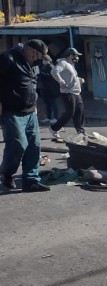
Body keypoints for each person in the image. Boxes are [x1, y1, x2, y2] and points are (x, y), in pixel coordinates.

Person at [0, 39, 52, 192]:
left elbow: (32, 83)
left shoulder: (34, 64)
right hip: (11, 111)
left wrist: (35, 104)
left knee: (34, 146)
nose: (38, 60)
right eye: (37, 56)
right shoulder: (8, 59)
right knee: (18, 144)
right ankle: (6, 174)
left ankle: (31, 180)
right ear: (30, 50)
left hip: (31, 111)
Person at [49, 47, 85, 138]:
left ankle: (80, 131)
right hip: (68, 92)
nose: (77, 58)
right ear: (70, 55)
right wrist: (61, 81)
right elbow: (54, 72)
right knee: (70, 113)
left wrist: (79, 80)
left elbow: (70, 78)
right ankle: (54, 128)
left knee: (80, 111)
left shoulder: (70, 65)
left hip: (76, 92)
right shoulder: (63, 63)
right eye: (75, 56)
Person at [37, 59, 60, 123]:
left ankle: (56, 117)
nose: (44, 61)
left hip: (51, 89)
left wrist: (41, 74)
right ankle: (49, 117)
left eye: (46, 60)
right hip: (44, 89)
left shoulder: (52, 67)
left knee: (53, 103)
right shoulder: (42, 66)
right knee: (47, 104)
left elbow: (51, 76)